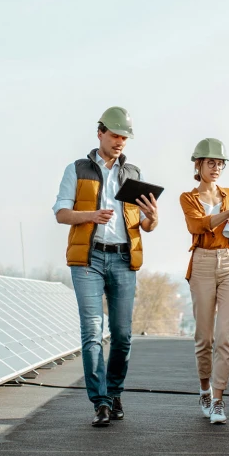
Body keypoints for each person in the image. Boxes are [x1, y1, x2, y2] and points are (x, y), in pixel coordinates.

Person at [53, 107, 160, 427]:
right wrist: (90, 216)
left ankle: (114, 394)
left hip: (124, 259)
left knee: (124, 335)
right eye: (115, 135)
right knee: (92, 332)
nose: (120, 142)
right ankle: (99, 401)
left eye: (124, 137)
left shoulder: (134, 174)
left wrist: (153, 218)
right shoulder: (77, 169)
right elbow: (60, 213)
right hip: (88, 259)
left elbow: (145, 224)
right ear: (100, 132)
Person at [180, 138, 229, 425]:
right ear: (198, 165)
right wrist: (226, 214)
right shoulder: (188, 197)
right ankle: (204, 390)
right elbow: (196, 225)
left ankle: (219, 399)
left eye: (220, 163)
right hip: (202, 263)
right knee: (205, 337)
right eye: (211, 162)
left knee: (226, 336)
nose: (216, 167)